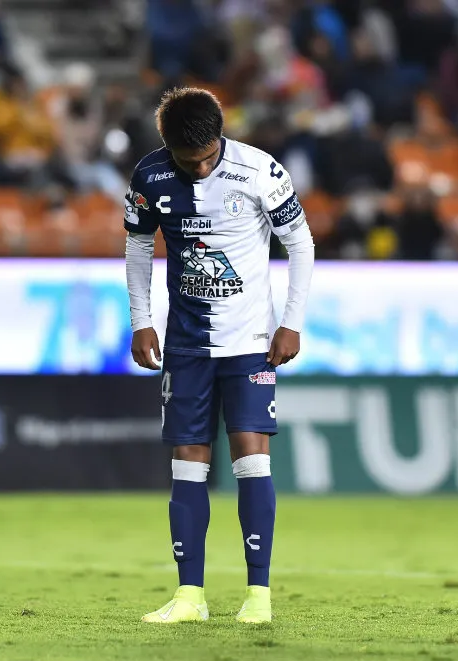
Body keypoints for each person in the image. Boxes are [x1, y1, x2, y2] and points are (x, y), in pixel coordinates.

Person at [125, 88, 315, 623]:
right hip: (186, 345)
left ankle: (259, 596)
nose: (203, 167)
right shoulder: (149, 177)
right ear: (168, 149)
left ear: (221, 136)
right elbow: (138, 246)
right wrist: (141, 320)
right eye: (191, 162)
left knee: (252, 459)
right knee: (187, 465)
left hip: (252, 342)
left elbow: (300, 243)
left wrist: (291, 322)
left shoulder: (261, 171)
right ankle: (190, 597)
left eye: (210, 155)